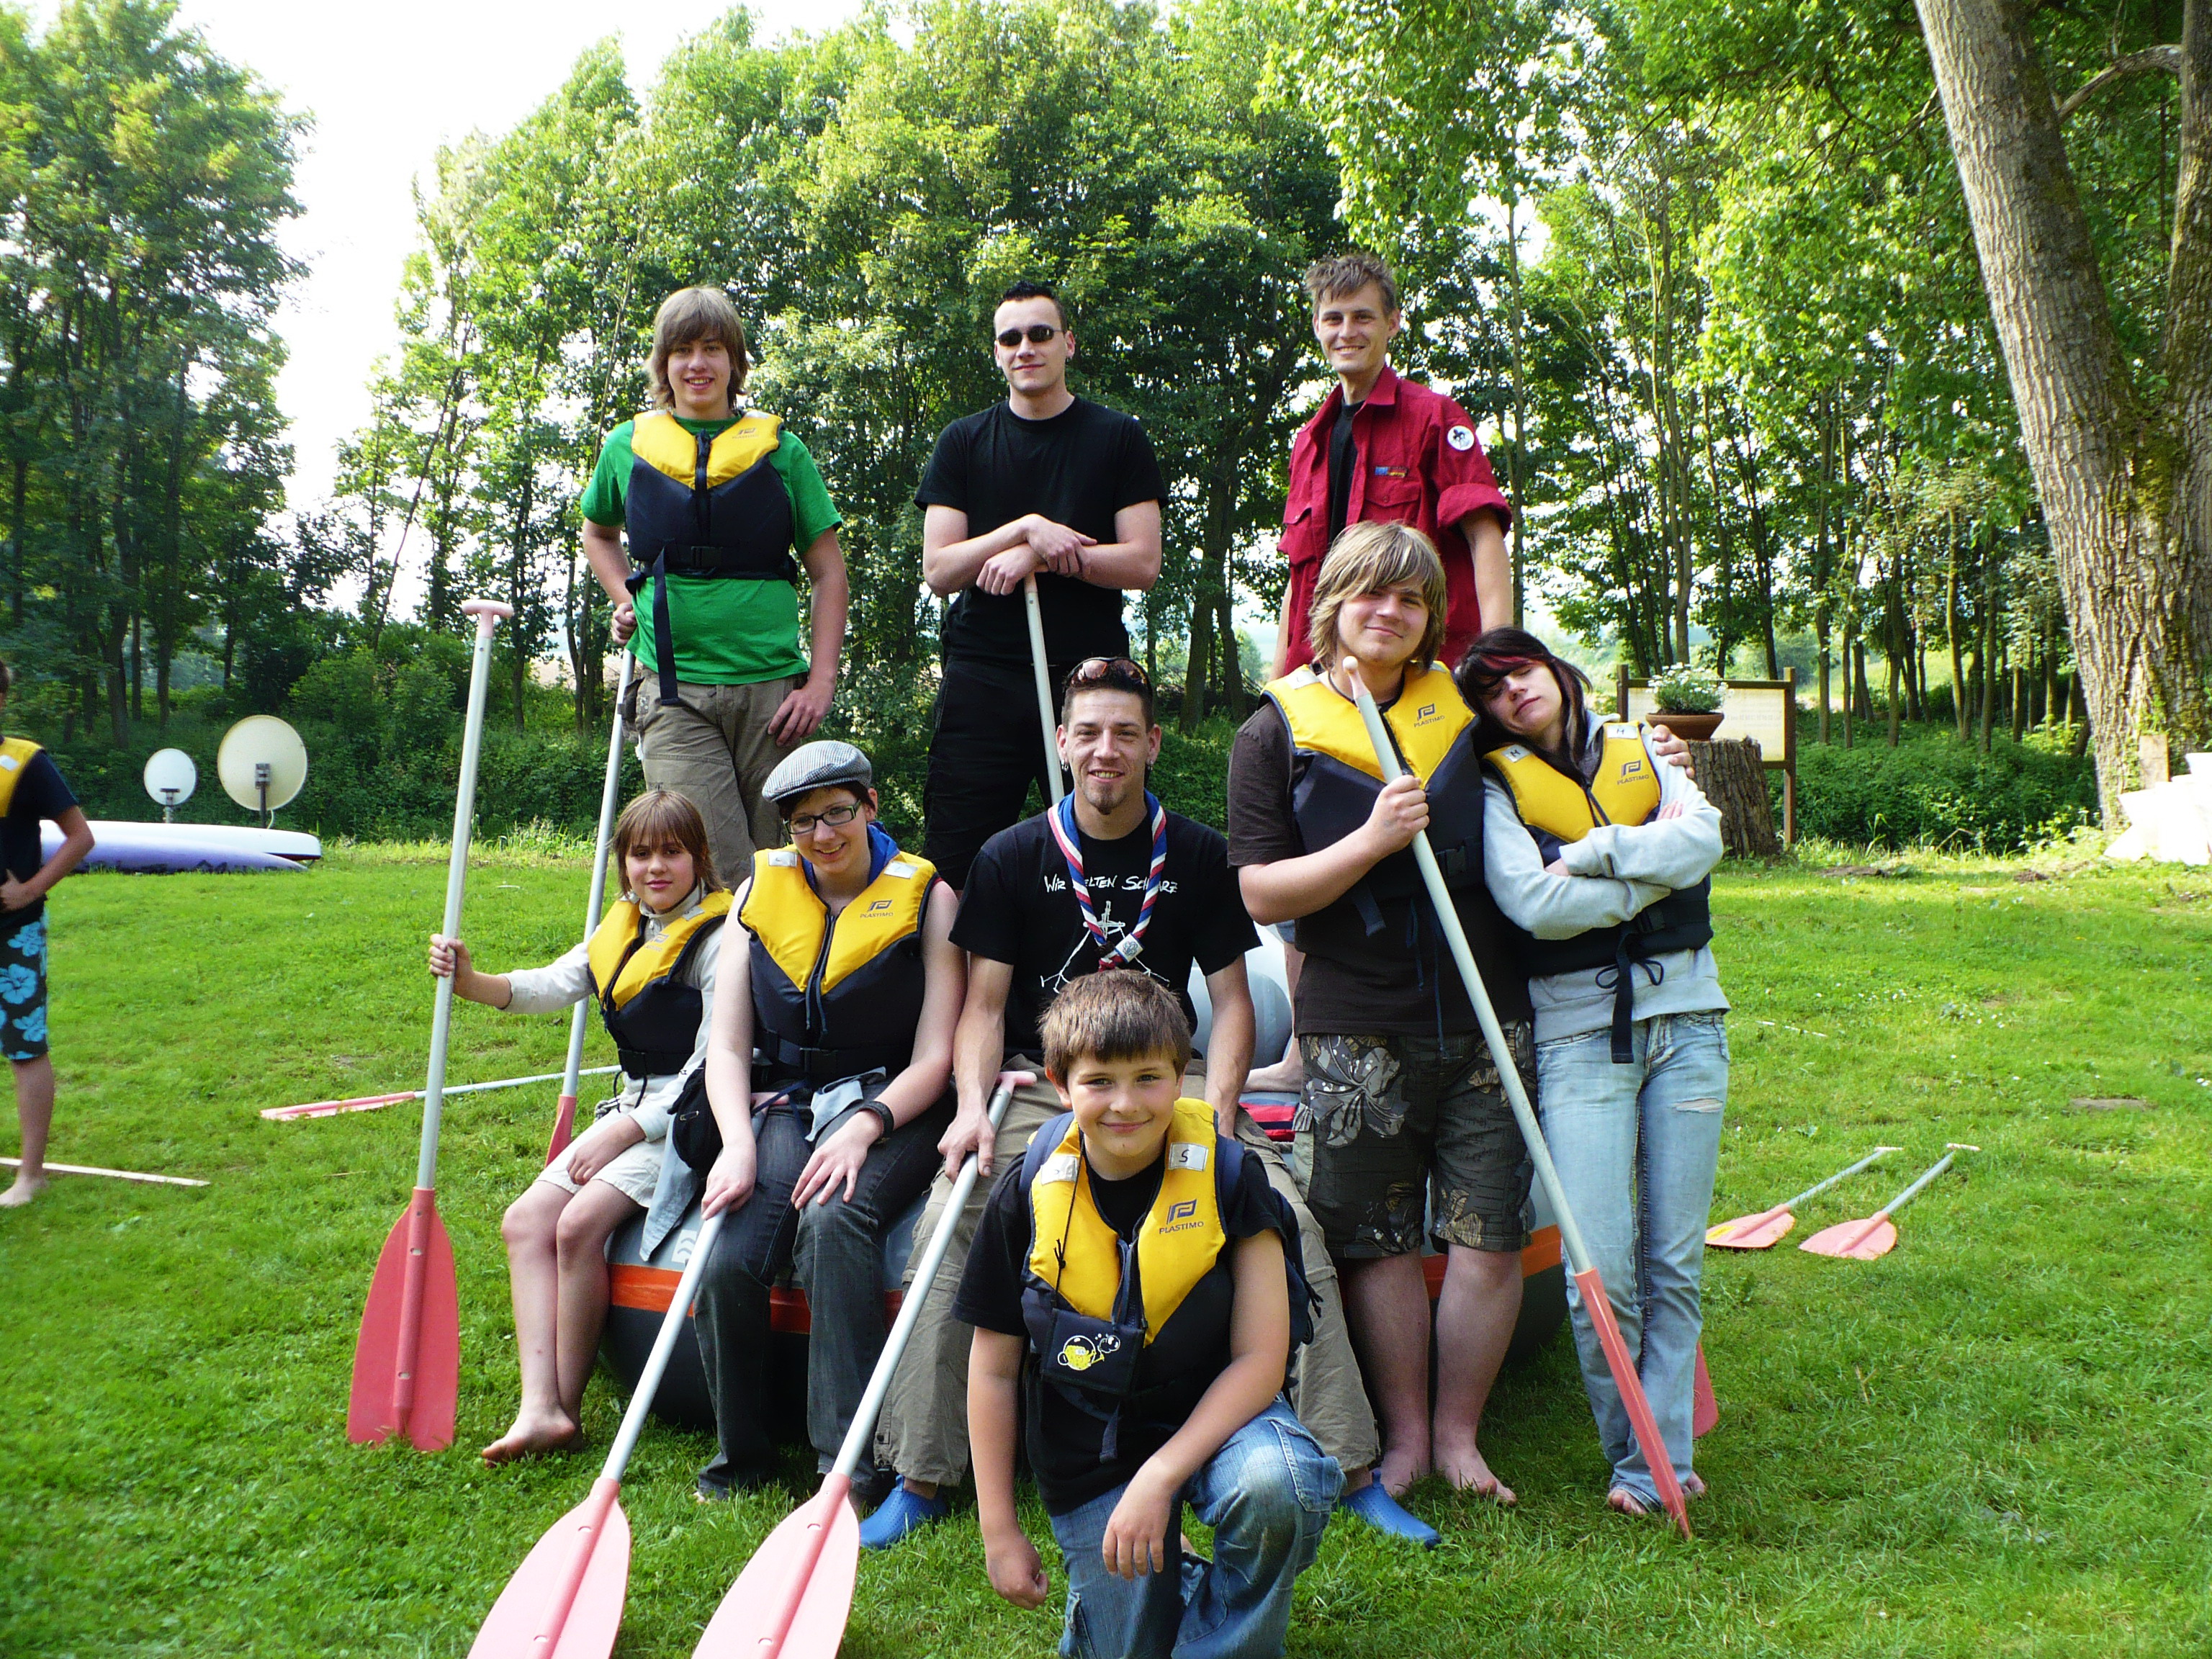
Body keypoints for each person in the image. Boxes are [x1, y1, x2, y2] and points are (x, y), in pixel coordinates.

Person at [864, 656, 1421, 1550]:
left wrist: (1224, 1110)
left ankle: (1348, 1463)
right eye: (1088, 733)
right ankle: (922, 1473)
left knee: (1283, 1215)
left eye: (1125, 733)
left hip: (1173, 1079)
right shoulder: (1010, 856)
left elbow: (1232, 1004)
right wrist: (970, 1108)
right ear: (1061, 743)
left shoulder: (1196, 853)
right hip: (1047, 1085)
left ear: (1153, 744)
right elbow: (982, 1009)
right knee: (950, 1218)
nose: (1106, 750)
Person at [1229, 521, 1534, 1506]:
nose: (1390, 612)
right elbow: (1260, 891)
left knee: (1489, 1234)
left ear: (1432, 618)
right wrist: (1369, 841)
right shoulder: (1275, 730)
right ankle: (1403, 1438)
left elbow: (1565, 751)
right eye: (1370, 593)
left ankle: (1458, 1436)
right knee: (1378, 1237)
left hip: (1487, 1012)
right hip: (1355, 1019)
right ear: (1332, 605)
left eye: (1411, 599)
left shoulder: (1470, 708)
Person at [959, 971, 1340, 1659]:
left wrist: (1161, 1477)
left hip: (1221, 1423)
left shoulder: (1230, 1177)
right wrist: (999, 1531)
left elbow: (1260, 1361)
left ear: (1180, 1075)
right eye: (1099, 1082)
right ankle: (1157, 1585)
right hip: (1091, 1448)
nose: (1126, 1104)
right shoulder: (1026, 1190)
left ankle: (1222, 1645)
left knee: (1277, 1486)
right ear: (1060, 1082)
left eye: (1148, 1079)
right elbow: (992, 1370)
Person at [1458, 627, 1728, 1518]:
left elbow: (1703, 841)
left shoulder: (1645, 747)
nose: (1512, 693)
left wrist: (1593, 853)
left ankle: (1653, 1468)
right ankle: (1642, 1453)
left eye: (1520, 672)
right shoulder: (1498, 787)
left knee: (1672, 1264)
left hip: (1689, 1023)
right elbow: (1533, 903)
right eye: (1491, 692)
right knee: (1600, 1272)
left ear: (1556, 671)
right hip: (1579, 1039)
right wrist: (1653, 874)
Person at [1251, 249, 1514, 1094]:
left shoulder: (1436, 419)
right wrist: (1284, 681)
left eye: (1362, 315)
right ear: (1316, 326)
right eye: (1331, 317)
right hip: (1326, 690)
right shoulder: (1308, 439)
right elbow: (1302, 577)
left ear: (1393, 323)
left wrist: (1499, 658)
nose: (1346, 331)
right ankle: (1303, 1049)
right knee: (1308, 846)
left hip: (1422, 684)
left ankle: (1475, 1029)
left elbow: (1482, 536)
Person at [687, 741, 963, 1500]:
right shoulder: (757, 894)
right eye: (803, 822)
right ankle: (742, 1458)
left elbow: (936, 1058)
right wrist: (737, 1146)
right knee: (730, 1254)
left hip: (897, 1102)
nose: (823, 835)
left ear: (871, 806)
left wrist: (867, 1124)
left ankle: (846, 1467)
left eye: (838, 813)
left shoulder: (930, 899)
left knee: (835, 1219)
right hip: (788, 1102)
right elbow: (727, 1046)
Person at [428, 788, 728, 1465]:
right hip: (630, 1112)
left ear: (699, 858)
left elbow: (712, 1066)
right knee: (525, 1222)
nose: (656, 867)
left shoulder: (720, 937)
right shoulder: (622, 927)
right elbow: (548, 985)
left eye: (672, 852)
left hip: (689, 1117)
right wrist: (472, 981)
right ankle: (540, 1407)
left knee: (577, 1225)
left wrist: (626, 1131)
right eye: (640, 854)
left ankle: (559, 1410)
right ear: (623, 865)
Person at [580, 284, 851, 883]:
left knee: (782, 862)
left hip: (773, 697)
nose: (696, 364)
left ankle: (780, 950)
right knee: (713, 866)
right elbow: (598, 533)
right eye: (681, 350)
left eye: (711, 348)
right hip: (673, 690)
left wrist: (821, 682)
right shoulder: (626, 447)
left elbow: (829, 572)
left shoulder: (784, 452)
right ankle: (713, 949)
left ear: (734, 361)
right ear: (663, 364)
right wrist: (627, 599)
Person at [917, 279, 1165, 891]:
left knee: (1108, 845)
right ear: (997, 353)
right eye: (1010, 338)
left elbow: (1142, 563)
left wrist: (1043, 557)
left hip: (1090, 678)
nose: (1025, 347)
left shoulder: (1118, 437)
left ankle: (1108, 955)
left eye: (1040, 333)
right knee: (957, 862)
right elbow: (940, 569)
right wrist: (1024, 529)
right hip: (983, 676)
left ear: (1068, 343)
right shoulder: (963, 442)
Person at [0, 660, 94, 1209]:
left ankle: (30, 1176)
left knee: (24, 1047)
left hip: (14, 931)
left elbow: (80, 837)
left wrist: (31, 890)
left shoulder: (25, 763)